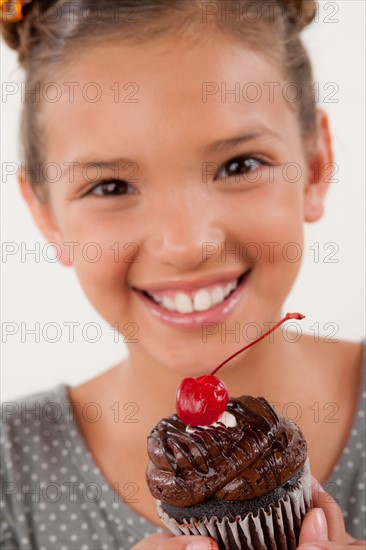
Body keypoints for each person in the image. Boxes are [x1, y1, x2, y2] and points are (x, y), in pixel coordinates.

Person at [0, 0, 365, 548]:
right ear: (47, 214)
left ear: (314, 166)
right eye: (111, 187)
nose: (186, 244)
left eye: (239, 165)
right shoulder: (11, 472)